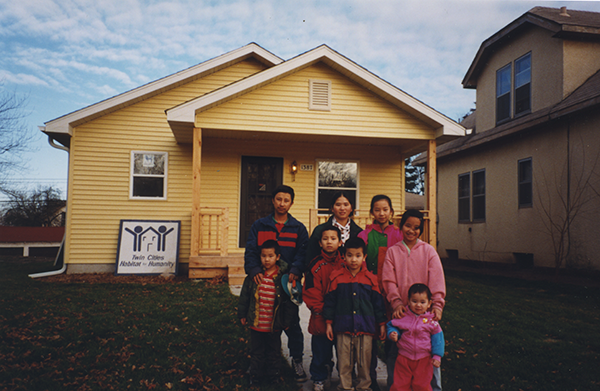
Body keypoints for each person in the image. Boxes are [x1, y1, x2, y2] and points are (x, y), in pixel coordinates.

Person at [244, 185, 309, 382]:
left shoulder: (298, 228)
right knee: (262, 324)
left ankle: (296, 360)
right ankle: (259, 363)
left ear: (292, 202)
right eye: (279, 199)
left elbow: (302, 253)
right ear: (273, 201)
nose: (282, 203)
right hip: (263, 285)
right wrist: (254, 269)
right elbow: (251, 251)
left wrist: (296, 270)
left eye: (286, 200)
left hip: (286, 286)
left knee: (291, 324)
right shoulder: (260, 226)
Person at [382, 209, 446, 391]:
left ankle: (434, 387)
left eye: (416, 227)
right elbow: (388, 280)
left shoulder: (429, 252)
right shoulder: (393, 252)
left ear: (421, 230)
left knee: (431, 352)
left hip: (424, 313)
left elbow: (437, 280)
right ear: (401, 226)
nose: (411, 230)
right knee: (396, 352)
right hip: (402, 312)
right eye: (408, 225)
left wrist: (438, 305)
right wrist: (396, 303)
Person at [323, 237, 387, 391]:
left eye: (358, 256)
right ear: (343, 256)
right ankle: (345, 387)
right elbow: (330, 303)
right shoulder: (336, 277)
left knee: (364, 362)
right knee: (344, 362)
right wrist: (329, 323)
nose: (353, 260)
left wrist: (382, 324)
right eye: (350, 255)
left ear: (364, 257)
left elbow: (378, 304)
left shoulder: (371, 279)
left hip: (365, 329)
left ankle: (364, 387)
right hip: (343, 328)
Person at [238, 240, 299, 385]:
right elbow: (245, 296)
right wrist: (242, 314)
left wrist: (287, 321)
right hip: (257, 323)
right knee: (257, 351)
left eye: (270, 256)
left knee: (273, 352)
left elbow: (289, 303)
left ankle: (274, 375)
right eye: (263, 256)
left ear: (277, 257)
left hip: (274, 325)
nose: (266, 259)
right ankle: (256, 375)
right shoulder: (255, 277)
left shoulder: (282, 278)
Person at [358, 195, 403, 390]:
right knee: (371, 337)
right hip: (370, 293)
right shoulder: (364, 236)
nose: (382, 213)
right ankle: (370, 379)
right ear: (372, 212)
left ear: (391, 211)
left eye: (385, 209)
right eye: (377, 209)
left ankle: (395, 381)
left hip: (394, 293)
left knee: (394, 337)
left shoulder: (399, 234)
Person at [303, 226, 345, 391]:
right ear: (320, 243)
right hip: (320, 316)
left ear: (340, 242)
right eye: (326, 239)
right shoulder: (315, 265)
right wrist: (321, 311)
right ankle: (319, 376)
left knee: (343, 349)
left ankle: (344, 375)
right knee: (320, 349)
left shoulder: (345, 262)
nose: (329, 242)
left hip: (342, 316)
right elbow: (312, 291)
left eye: (333, 238)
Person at [386, 283, 445, 391]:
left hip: (424, 359)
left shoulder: (431, 321)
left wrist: (437, 356)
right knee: (400, 385)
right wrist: (393, 333)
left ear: (429, 304)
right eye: (414, 301)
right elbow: (391, 325)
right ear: (408, 301)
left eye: (422, 302)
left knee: (422, 385)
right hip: (404, 358)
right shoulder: (403, 316)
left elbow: (438, 339)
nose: (418, 305)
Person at [306, 191, 363, 263]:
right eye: (338, 205)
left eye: (346, 204)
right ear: (332, 208)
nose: (342, 208)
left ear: (351, 208)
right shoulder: (320, 230)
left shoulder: (359, 232)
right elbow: (310, 258)